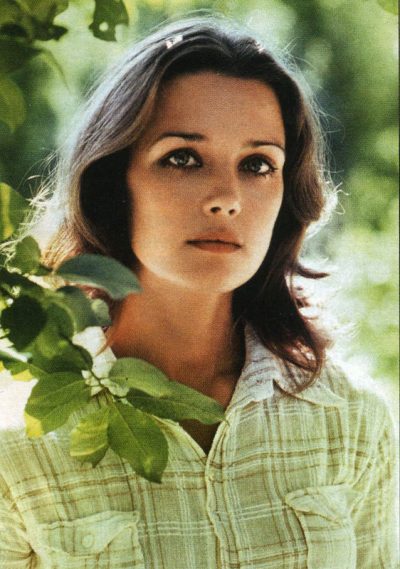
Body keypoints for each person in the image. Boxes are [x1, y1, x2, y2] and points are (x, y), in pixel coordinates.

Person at [0, 14, 397, 569]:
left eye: (258, 164)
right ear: (114, 182)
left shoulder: (350, 420)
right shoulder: (18, 441)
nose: (226, 198)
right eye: (183, 158)